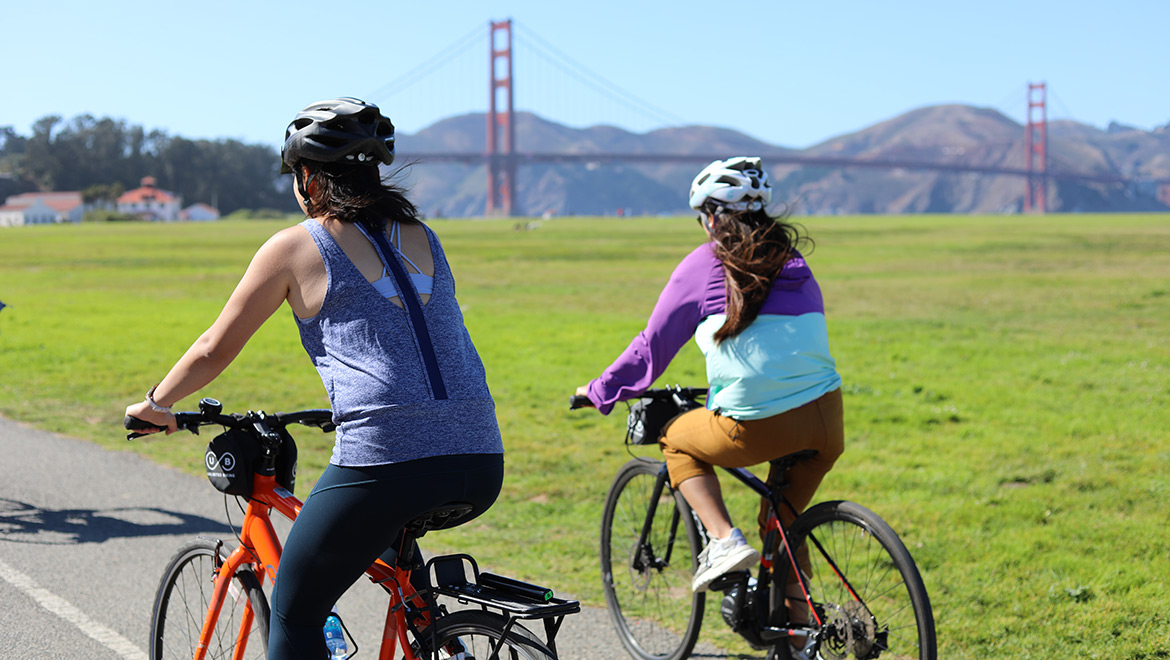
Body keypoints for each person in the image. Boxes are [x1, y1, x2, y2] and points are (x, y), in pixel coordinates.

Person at [125, 97, 505, 659]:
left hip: (389, 456)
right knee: (404, 586)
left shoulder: (297, 244)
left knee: (296, 613)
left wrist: (155, 403)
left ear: (307, 176)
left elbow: (214, 348)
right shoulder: (422, 234)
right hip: (481, 457)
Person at [576, 156, 843, 636]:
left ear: (715, 217)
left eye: (703, 218)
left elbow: (651, 347)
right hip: (826, 417)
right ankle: (803, 633)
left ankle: (722, 541)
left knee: (675, 438)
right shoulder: (795, 261)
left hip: (757, 422)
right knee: (781, 520)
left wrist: (599, 390)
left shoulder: (706, 263)